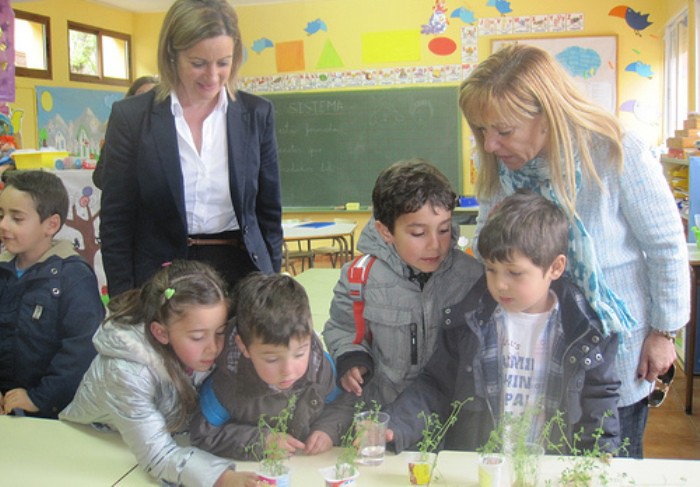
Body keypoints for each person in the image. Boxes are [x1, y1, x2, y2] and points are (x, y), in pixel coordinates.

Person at [458, 44, 689, 458]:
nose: (490, 144)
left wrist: (663, 332)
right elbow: (486, 243)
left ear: (546, 113)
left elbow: (665, 246)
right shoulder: (499, 166)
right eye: (480, 130)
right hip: (532, 350)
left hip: (615, 354)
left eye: (503, 130)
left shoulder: (615, 150)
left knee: (607, 460)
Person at [387, 190, 621, 454]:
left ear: (555, 268)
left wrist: (601, 450)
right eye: (491, 269)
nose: (499, 284)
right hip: (482, 466)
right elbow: (436, 384)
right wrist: (398, 424)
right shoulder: (469, 322)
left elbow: (600, 397)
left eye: (515, 273)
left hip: (549, 468)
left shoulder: (584, 331)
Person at [99, 0, 282, 298]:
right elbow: (116, 221)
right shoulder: (131, 118)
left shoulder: (256, 114)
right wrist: (124, 299)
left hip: (241, 272)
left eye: (223, 63)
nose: (212, 77)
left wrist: (271, 282)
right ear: (172, 55)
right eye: (198, 63)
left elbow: (269, 214)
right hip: (162, 274)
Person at [60, 260, 256, 487]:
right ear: (161, 333)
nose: (213, 347)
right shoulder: (125, 373)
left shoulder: (198, 346)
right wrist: (222, 478)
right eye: (197, 337)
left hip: (161, 437)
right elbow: (158, 455)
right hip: (90, 447)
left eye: (220, 332)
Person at [322, 159, 483, 407]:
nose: (435, 245)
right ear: (385, 231)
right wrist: (351, 359)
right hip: (385, 410)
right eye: (418, 233)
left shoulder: (471, 276)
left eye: (443, 229)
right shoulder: (359, 277)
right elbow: (342, 328)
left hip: (452, 417)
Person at [189, 272, 355, 460]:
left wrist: (327, 430)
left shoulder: (321, 368)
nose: (288, 370)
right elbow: (203, 433)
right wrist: (261, 441)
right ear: (244, 346)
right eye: (272, 359)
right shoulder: (225, 385)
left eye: (300, 354)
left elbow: (343, 403)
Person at [0, 171, 104, 419]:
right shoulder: (2, 270)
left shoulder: (73, 277)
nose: (3, 225)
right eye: (1, 215)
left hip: (52, 413)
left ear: (51, 225)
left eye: (17, 218)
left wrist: (40, 398)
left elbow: (81, 349)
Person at [92, 75, 159, 190]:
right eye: (141, 95)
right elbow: (99, 176)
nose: (146, 101)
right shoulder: (120, 132)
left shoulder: (169, 132)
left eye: (152, 96)